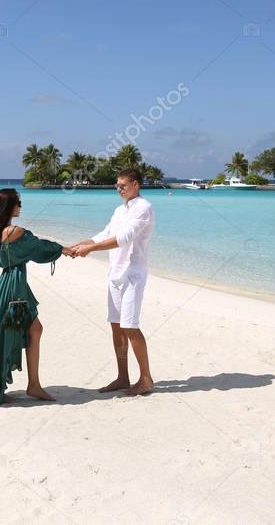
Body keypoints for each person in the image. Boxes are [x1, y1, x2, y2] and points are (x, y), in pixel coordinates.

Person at [0, 188, 74, 406]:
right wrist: (64, 249)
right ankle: (17, 386)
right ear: (9, 206)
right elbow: (38, 247)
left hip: (9, 286)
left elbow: (31, 248)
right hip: (14, 291)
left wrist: (63, 249)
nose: (21, 206)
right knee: (14, 334)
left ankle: (30, 384)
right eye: (18, 202)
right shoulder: (14, 231)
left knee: (29, 330)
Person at [69, 168, 156, 396]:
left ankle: (146, 379)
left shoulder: (144, 208)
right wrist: (79, 245)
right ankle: (123, 377)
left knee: (130, 326)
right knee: (116, 326)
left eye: (123, 186)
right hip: (115, 273)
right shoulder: (119, 210)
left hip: (133, 274)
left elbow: (123, 239)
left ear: (136, 184)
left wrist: (90, 249)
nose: (119, 189)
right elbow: (104, 234)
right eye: (117, 186)